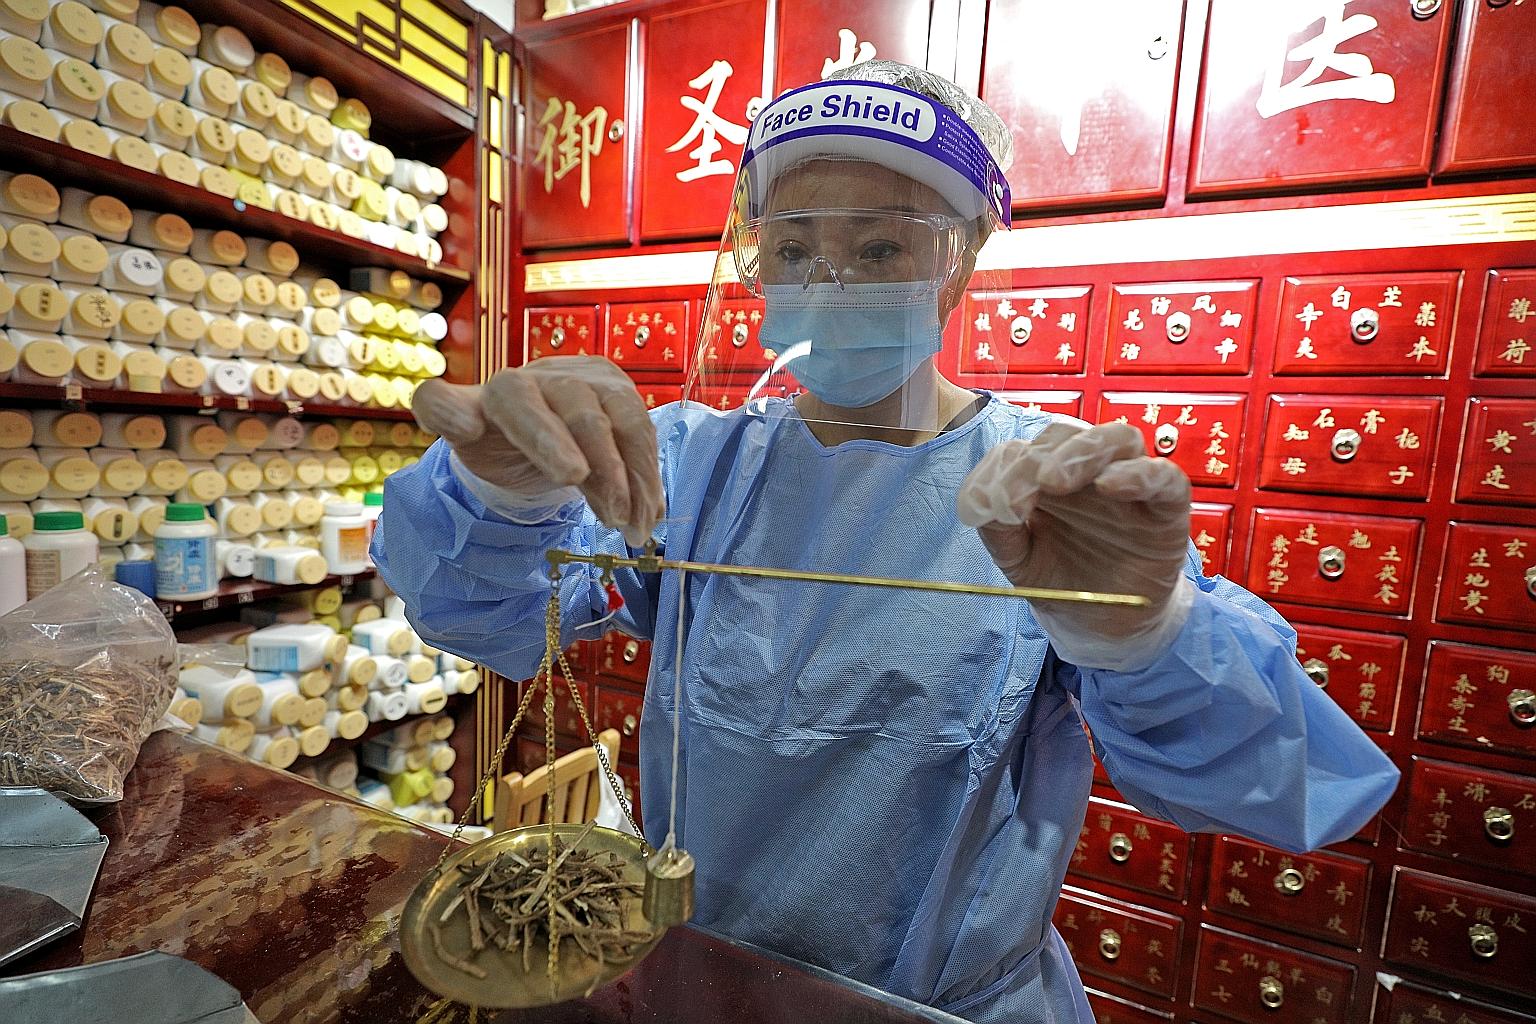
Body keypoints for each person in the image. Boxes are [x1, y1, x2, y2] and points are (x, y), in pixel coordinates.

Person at [374, 61, 1398, 1024]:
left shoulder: (1043, 496)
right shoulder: (695, 468)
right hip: (705, 982)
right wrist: (502, 495)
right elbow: (486, 614)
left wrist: (1145, 632)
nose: (829, 283)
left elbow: (1263, 782)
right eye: (792, 249)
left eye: (880, 250)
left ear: (958, 265)